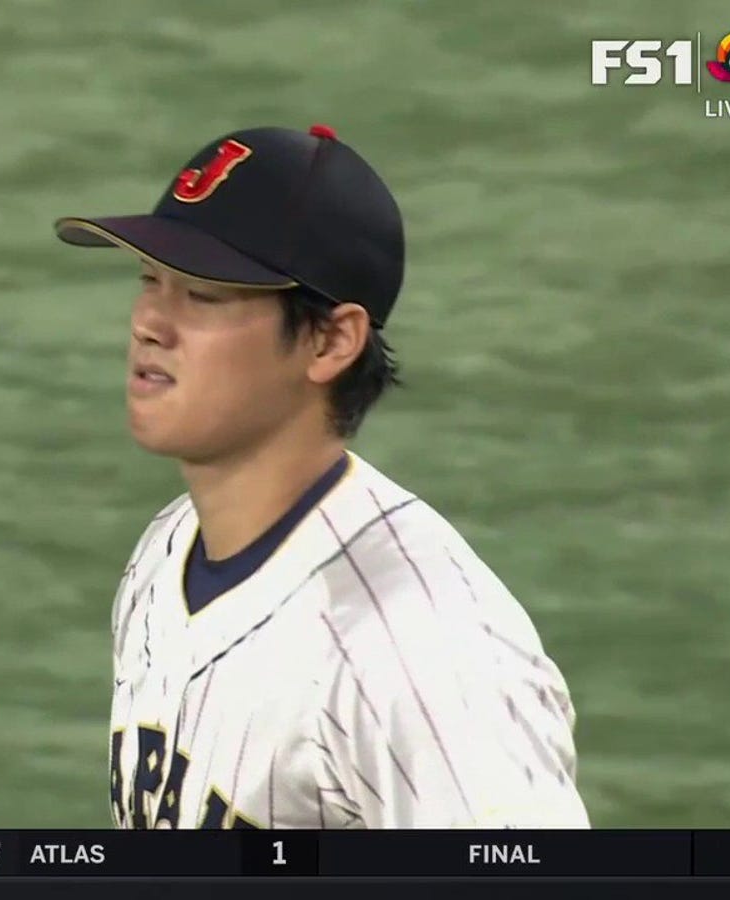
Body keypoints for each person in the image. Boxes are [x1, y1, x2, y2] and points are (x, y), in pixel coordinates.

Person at [53, 124, 589, 828]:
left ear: (332, 341)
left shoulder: (425, 658)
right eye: (151, 280)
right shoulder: (166, 551)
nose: (151, 322)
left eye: (205, 295)